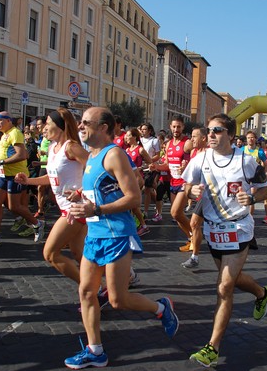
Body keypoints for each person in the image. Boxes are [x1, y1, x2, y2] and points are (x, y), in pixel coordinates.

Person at [64, 107, 178, 369]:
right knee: (86, 291)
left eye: (86, 123)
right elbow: (101, 189)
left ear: (103, 127)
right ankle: (95, 351)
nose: (80, 127)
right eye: (80, 123)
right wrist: (80, 196)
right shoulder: (92, 156)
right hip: (95, 233)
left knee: (117, 300)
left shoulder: (114, 154)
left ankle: (161, 308)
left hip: (116, 234)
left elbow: (133, 198)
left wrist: (97, 209)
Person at [183, 113, 267, 367]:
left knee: (224, 287)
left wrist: (253, 198)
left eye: (218, 130)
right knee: (231, 278)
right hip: (214, 230)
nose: (211, 134)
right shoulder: (200, 159)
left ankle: (212, 347)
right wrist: (192, 191)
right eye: (209, 129)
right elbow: (186, 187)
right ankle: (262, 292)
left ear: (231, 135)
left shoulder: (246, 161)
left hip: (239, 228)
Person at [15, 109, 89, 283]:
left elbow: (96, 171)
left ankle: (94, 289)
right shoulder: (54, 148)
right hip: (65, 207)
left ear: (61, 126)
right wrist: (28, 181)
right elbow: (52, 177)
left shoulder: (71, 147)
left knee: (50, 254)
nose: (43, 128)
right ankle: (119, 276)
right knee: (80, 254)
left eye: (48, 123)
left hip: (76, 209)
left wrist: (80, 192)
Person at [0, 112, 46, 246]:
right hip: (3, 175)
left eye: (0, 120)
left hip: (15, 175)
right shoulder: (4, 135)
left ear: (9, 121)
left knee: (14, 206)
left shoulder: (15, 133)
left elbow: (22, 155)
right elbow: (2, 155)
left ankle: (37, 223)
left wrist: (1, 162)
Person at [150, 116, 193, 251]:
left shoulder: (187, 143)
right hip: (173, 181)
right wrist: (156, 166)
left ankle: (196, 234)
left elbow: (195, 160)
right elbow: (167, 165)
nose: (176, 129)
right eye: (174, 127)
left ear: (183, 127)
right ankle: (191, 238)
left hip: (184, 182)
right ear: (170, 127)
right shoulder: (168, 144)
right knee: (177, 216)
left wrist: (187, 166)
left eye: (179, 127)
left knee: (174, 212)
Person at [181, 126, 208, 269]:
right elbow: (191, 179)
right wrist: (191, 190)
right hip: (204, 196)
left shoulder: (211, 154)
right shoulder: (195, 154)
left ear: (204, 138)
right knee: (194, 224)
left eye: (194, 136)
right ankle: (194, 257)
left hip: (217, 197)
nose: (191, 139)